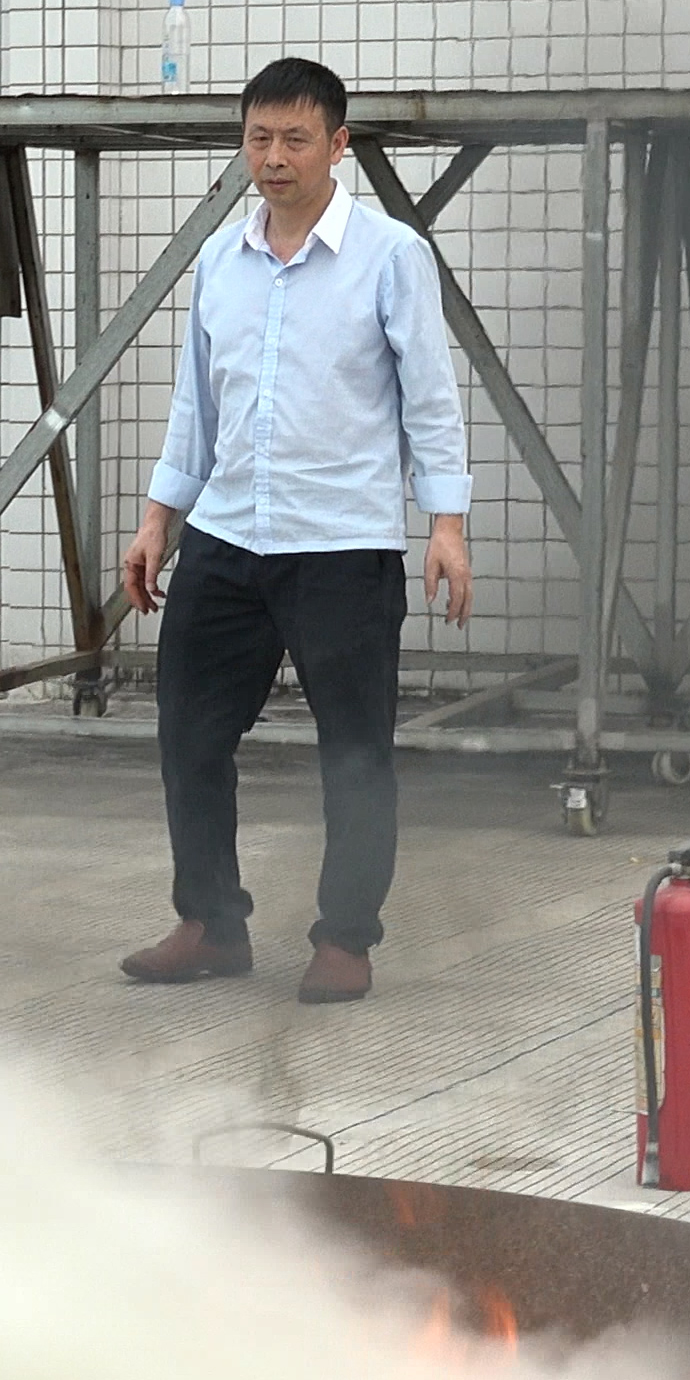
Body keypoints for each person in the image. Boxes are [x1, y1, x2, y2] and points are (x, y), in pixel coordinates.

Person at [116, 58, 472, 1007]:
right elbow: (196, 406)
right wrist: (159, 520)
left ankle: (346, 937)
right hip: (228, 537)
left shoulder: (390, 256)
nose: (274, 158)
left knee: (354, 751)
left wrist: (446, 524)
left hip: (342, 545)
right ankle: (210, 922)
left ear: (337, 145)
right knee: (190, 733)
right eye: (259, 138)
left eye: (295, 139)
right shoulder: (220, 262)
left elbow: (431, 401)